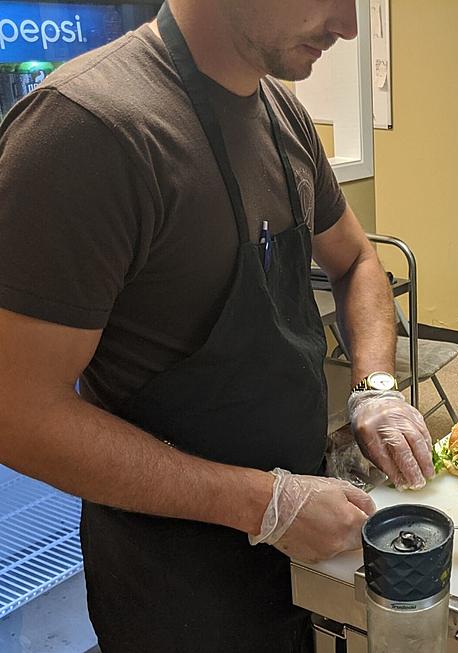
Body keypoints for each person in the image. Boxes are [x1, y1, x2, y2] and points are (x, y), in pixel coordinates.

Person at [0, 1, 435, 650]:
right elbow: (16, 411)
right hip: (175, 584)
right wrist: (263, 504)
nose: (348, 26)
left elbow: (358, 260)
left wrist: (375, 385)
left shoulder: (281, 111)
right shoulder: (85, 129)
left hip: (299, 542)